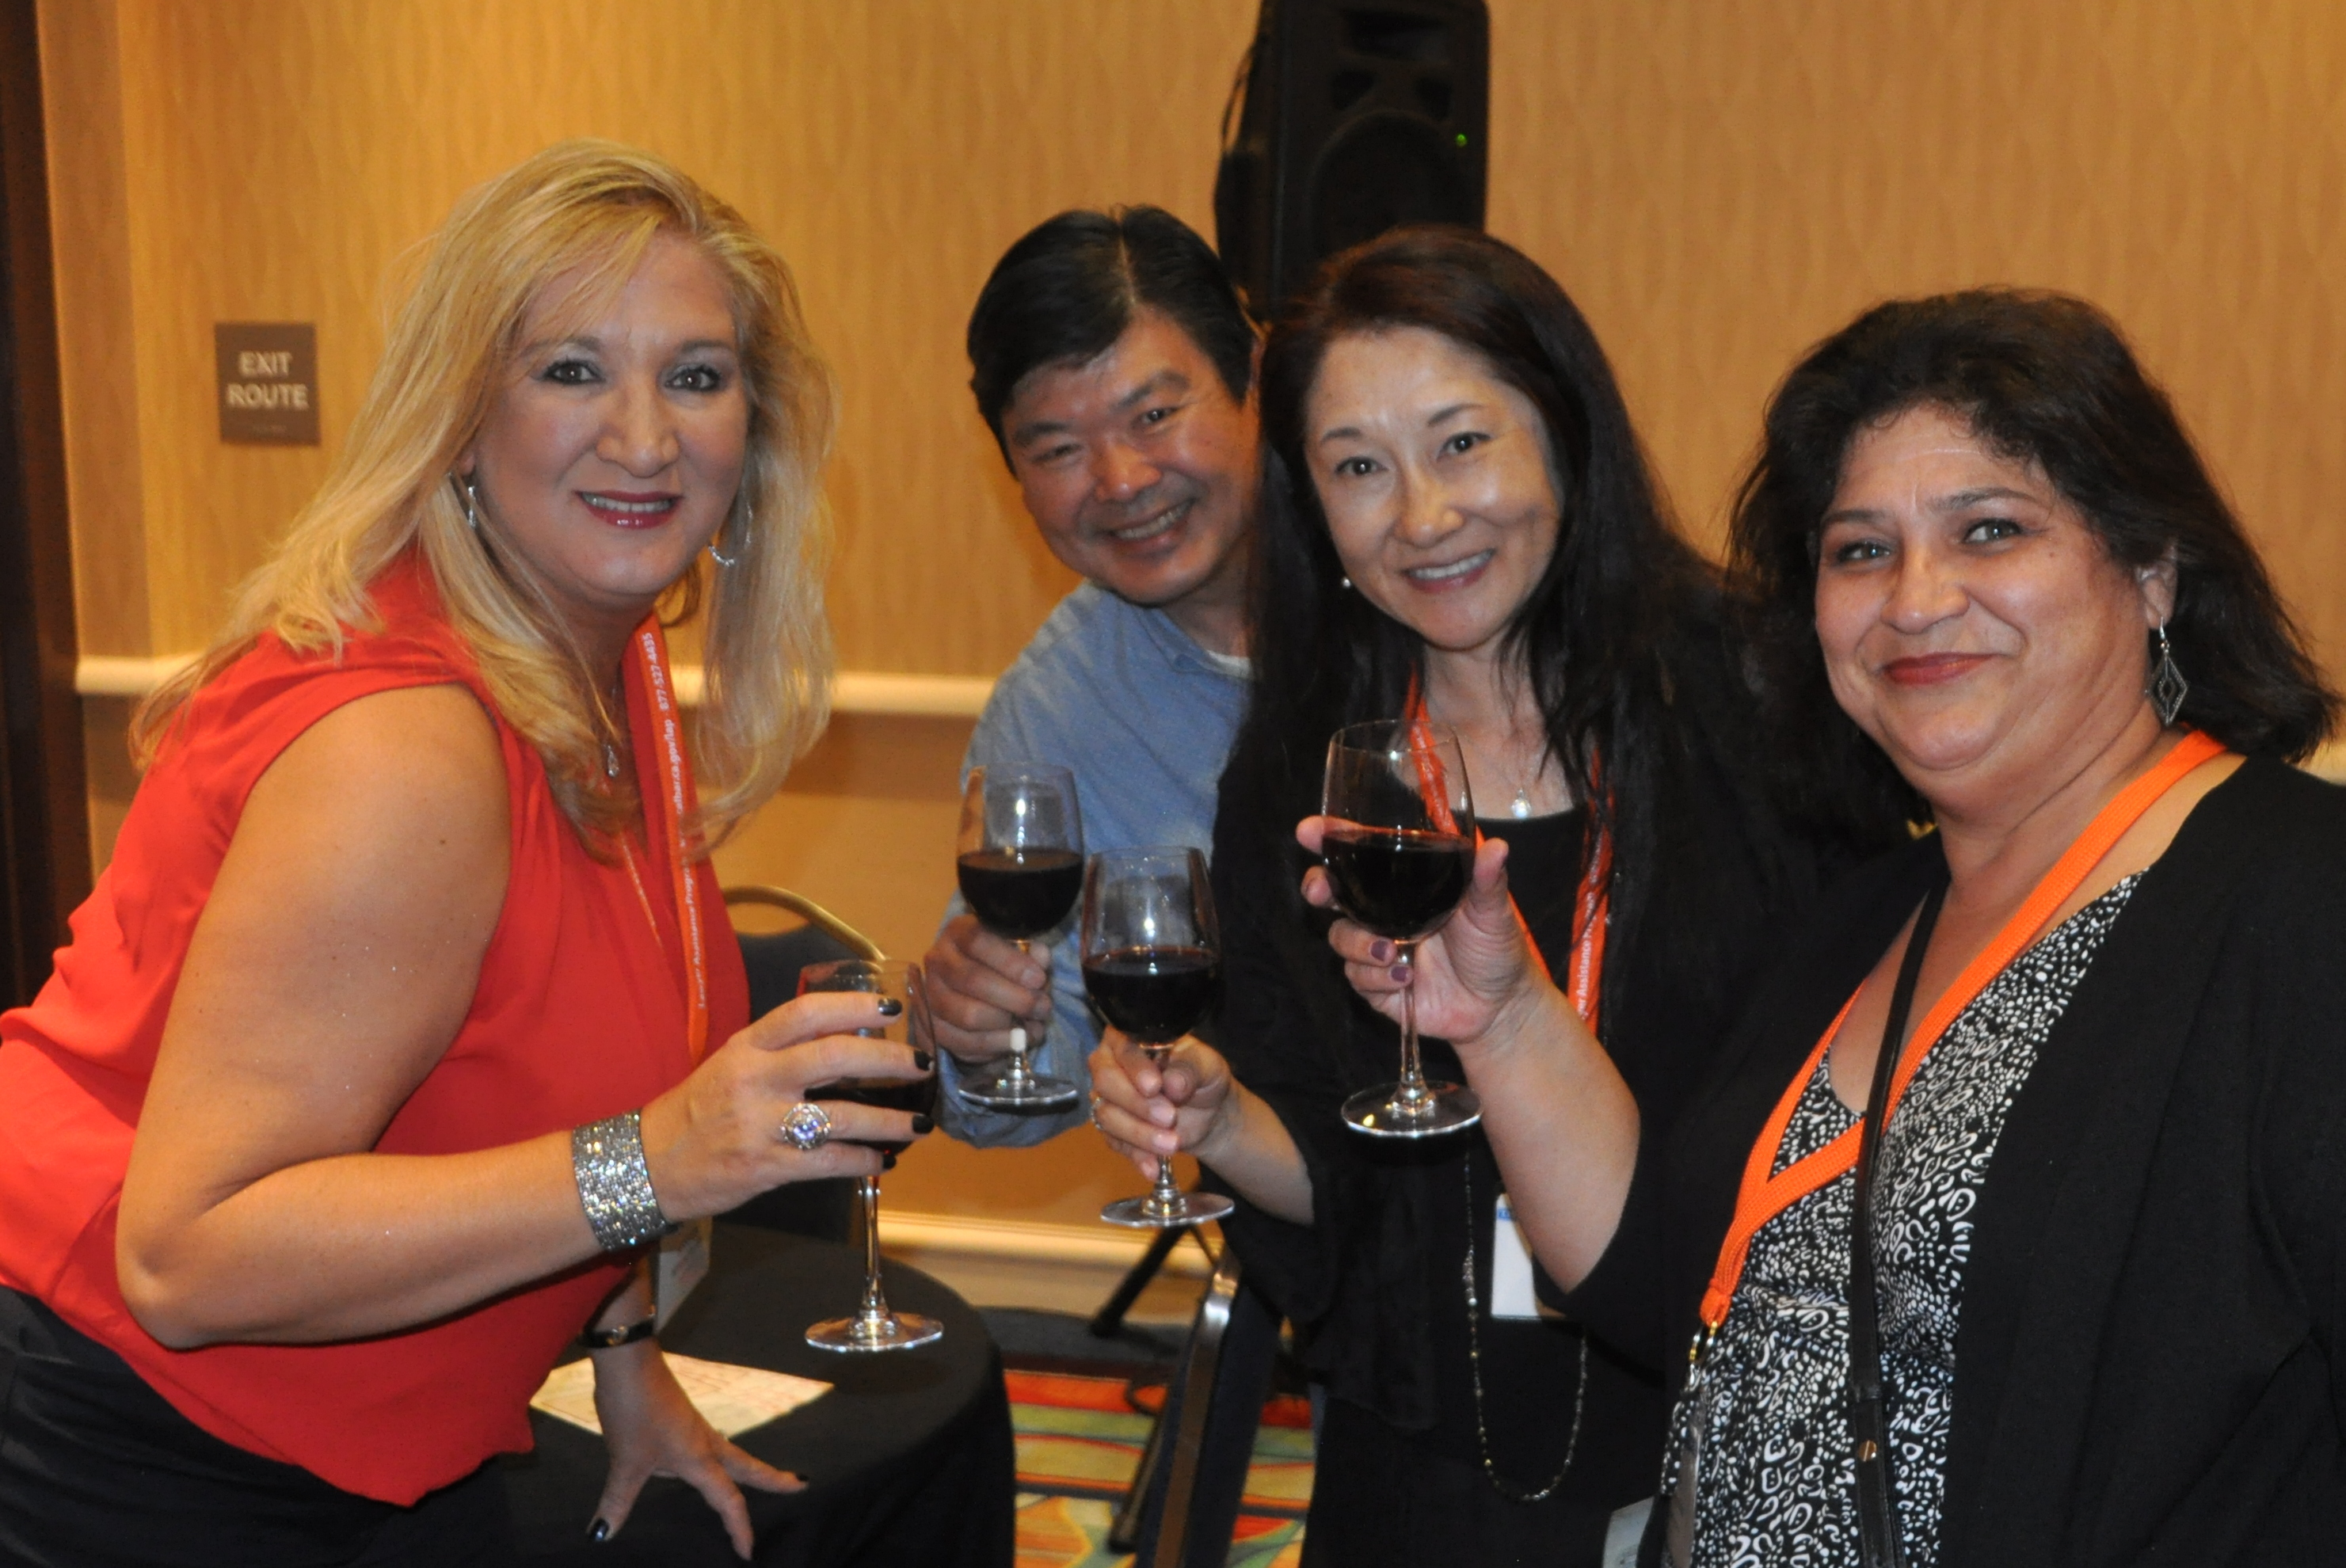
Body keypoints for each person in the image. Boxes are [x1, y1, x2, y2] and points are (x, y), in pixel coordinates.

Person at [0, 142, 931, 1566]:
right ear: (460, 416)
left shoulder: (607, 667)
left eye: (694, 376)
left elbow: (539, 1076)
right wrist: (658, 1160)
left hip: (381, 1438)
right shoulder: (404, 750)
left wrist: (623, 1352)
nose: (643, 438)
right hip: (140, 1446)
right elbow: (189, 1258)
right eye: (571, 371)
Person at [1309, 289, 2345, 1565]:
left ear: (2150, 569)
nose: (1915, 599)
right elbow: (1668, 1294)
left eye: (1987, 529)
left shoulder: (2298, 905)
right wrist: (1503, 1015)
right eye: (1860, 551)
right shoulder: (1870, 914)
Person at [1089, 226, 1863, 1566]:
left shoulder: (1754, 709)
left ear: (1563, 433)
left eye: (1460, 443)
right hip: (1419, 1460)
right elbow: (1336, 1191)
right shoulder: (1307, 771)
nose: (1423, 517)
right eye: (1357, 468)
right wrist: (1221, 1121)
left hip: (1711, 1449)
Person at [923, 206, 1261, 1144]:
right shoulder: (1054, 714)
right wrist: (984, 1035)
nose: (1119, 481)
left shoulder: (1406, 584)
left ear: (1254, 379)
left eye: (1154, 416)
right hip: (1266, 1200)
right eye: (1058, 450)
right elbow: (1033, 1083)